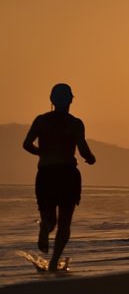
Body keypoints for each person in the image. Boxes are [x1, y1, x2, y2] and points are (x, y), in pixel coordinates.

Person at [23, 83, 96, 271]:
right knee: (65, 221)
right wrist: (91, 158)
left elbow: (27, 144)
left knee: (50, 220)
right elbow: (83, 150)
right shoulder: (75, 123)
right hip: (67, 174)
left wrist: (43, 153)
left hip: (46, 173)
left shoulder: (41, 121)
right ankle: (54, 262)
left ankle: (44, 229)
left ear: (51, 100)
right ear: (70, 99)